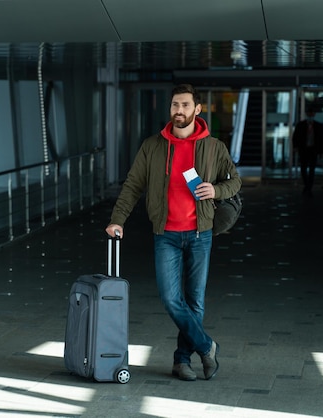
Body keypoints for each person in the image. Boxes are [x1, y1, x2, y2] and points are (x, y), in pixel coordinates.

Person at [105, 84, 241, 381]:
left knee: (195, 302)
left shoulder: (214, 147)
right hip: (165, 233)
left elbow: (235, 182)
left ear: (197, 109)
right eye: (174, 105)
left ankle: (182, 360)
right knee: (170, 299)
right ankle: (207, 346)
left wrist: (216, 190)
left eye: (184, 105)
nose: (178, 111)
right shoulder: (153, 146)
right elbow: (132, 185)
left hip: (199, 233)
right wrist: (118, 220)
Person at [292, 108, 323, 196]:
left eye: (312, 114)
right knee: (303, 168)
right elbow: (295, 136)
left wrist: (321, 151)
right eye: (309, 114)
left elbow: (321, 139)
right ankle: (307, 185)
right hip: (304, 149)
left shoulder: (318, 126)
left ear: (314, 115)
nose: (311, 116)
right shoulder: (301, 125)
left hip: (313, 150)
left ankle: (308, 187)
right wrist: (295, 147)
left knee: (312, 169)